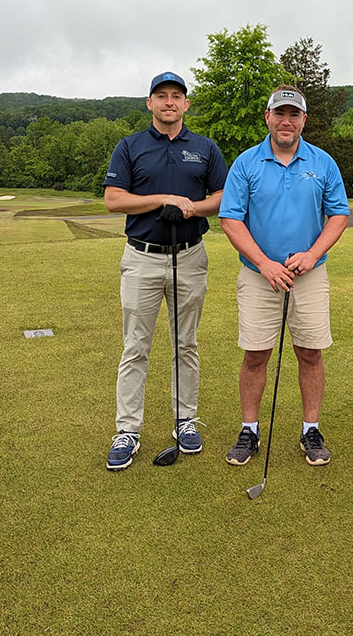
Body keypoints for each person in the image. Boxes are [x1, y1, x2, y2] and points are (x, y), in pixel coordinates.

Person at [103, 71, 228, 470]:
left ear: (186, 104)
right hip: (141, 257)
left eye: (177, 96)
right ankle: (128, 430)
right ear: (150, 103)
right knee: (135, 346)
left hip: (190, 256)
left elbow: (223, 198)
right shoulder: (130, 146)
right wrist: (163, 199)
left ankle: (185, 420)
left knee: (185, 344)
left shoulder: (205, 148)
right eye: (162, 96)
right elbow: (113, 199)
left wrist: (191, 206)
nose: (169, 102)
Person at [219, 85, 349, 467]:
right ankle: (250, 430)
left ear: (304, 120)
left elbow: (338, 214)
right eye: (280, 113)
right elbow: (230, 219)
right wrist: (264, 263)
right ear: (268, 117)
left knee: (309, 352)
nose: (286, 121)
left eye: (294, 115)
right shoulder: (246, 163)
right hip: (260, 274)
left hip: (308, 274)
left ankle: (311, 429)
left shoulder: (322, 162)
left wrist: (312, 254)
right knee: (256, 353)